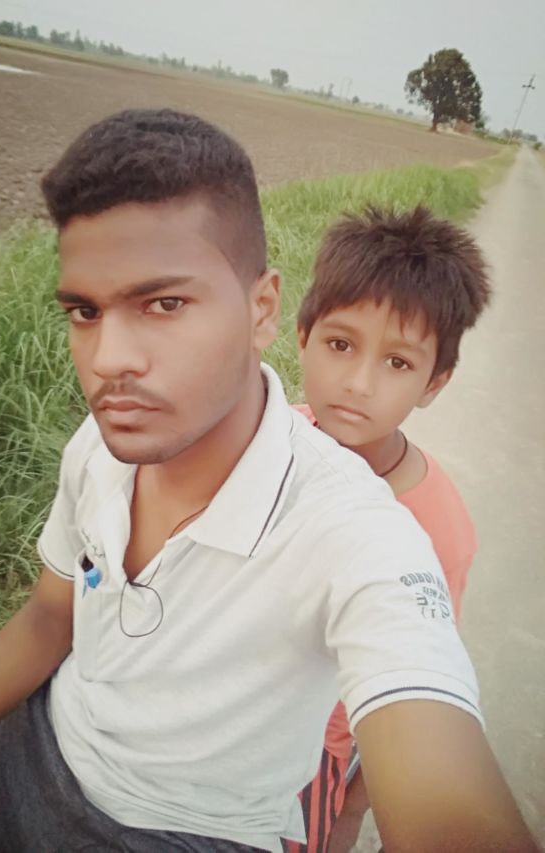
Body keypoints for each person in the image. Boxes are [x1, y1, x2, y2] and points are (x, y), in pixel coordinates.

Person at [0, 110, 536, 853]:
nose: (109, 360)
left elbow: (428, 734)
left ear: (262, 309)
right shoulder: (101, 444)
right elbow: (51, 617)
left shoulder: (373, 533)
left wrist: (348, 809)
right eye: (84, 310)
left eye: (164, 303)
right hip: (28, 748)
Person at [288, 206, 492, 853]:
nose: (358, 383)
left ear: (435, 383)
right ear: (302, 336)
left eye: (398, 363)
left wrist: (353, 804)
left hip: (313, 751)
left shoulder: (435, 528)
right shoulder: (271, 441)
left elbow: (417, 669)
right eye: (340, 345)